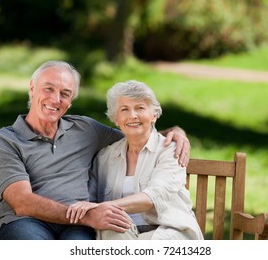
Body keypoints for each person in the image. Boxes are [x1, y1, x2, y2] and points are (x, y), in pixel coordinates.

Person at [0, 60, 191, 240]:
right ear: (32, 88)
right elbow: (23, 202)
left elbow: (135, 133)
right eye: (48, 89)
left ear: (71, 100)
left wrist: (175, 131)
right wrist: (89, 215)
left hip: (78, 227)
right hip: (27, 222)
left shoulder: (85, 129)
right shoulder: (6, 141)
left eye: (65, 94)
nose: (56, 99)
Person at [66, 80, 203, 240]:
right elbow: (90, 198)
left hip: (169, 231)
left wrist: (102, 207)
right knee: (110, 224)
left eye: (140, 108)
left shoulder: (171, 150)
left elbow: (154, 196)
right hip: (124, 232)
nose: (132, 115)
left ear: (154, 115)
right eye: (124, 109)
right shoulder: (105, 157)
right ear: (116, 119)